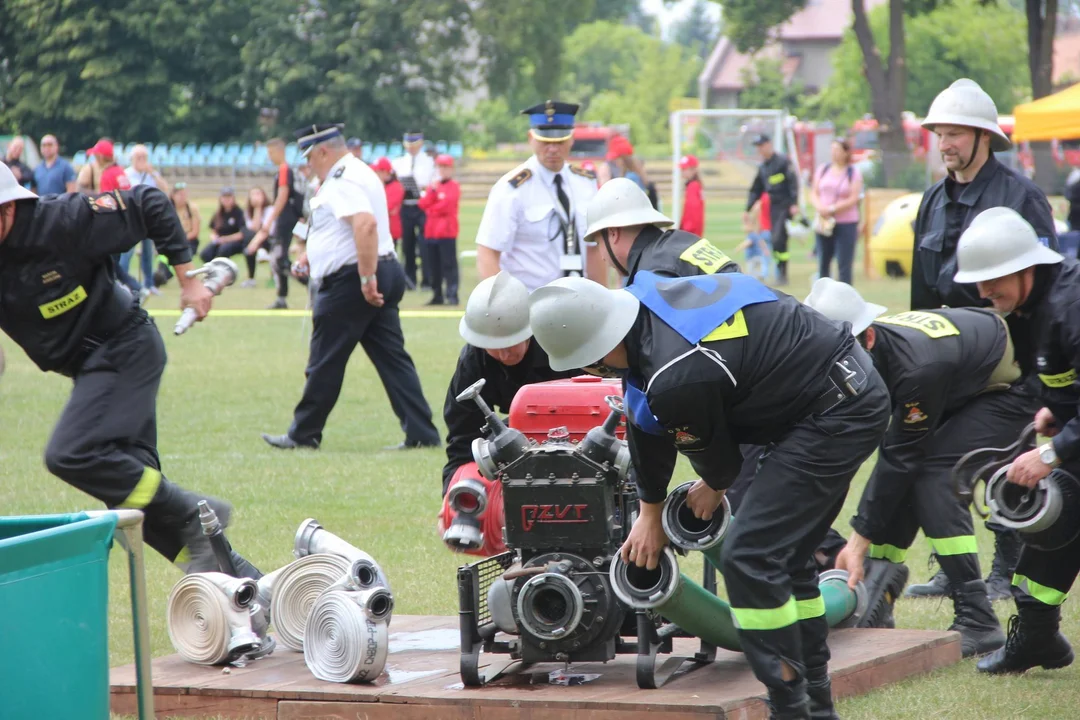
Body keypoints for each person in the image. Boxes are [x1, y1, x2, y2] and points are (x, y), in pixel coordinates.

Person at [528, 274, 890, 719]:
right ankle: (816, 704)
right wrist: (650, 511)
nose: (592, 373)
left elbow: (719, 466)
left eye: (589, 364)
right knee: (787, 557)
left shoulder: (677, 374)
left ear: (601, 351)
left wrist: (710, 486)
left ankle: (789, 706)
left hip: (836, 411)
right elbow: (644, 415)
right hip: (816, 395)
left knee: (749, 557)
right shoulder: (641, 304)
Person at [0, 163, 260, 580]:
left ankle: (195, 512)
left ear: (9, 207)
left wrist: (188, 282)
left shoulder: (63, 219)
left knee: (70, 453)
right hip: (90, 367)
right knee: (136, 505)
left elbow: (150, 202)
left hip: (124, 346)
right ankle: (244, 587)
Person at [905, 78, 1058, 601]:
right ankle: (954, 568)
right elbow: (922, 291)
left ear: (984, 138)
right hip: (946, 361)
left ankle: (1006, 569)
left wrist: (1038, 372)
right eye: (938, 134)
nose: (943, 143)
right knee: (940, 464)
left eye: (953, 134)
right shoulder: (931, 201)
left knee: (1002, 463)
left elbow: (1044, 286)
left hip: (1010, 366)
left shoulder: (1022, 197)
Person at [807, 278, 1019, 654]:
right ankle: (877, 594)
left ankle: (977, 617)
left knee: (933, 474)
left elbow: (900, 457)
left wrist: (856, 542)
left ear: (868, 338)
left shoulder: (916, 367)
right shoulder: (870, 355)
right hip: (960, 375)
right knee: (909, 469)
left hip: (1011, 389)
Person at [947, 207, 1078, 675]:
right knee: (1054, 526)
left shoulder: (1072, 304)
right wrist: (1058, 413)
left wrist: (1053, 452)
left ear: (1027, 267)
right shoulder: (1027, 307)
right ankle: (1038, 639)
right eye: (978, 283)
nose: (984, 293)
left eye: (993, 280)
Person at [262, 124, 440, 452]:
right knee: (392, 358)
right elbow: (345, 229)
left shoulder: (341, 178)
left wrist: (365, 277)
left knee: (324, 360)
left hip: (353, 280)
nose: (308, 165)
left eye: (310, 158)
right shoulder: (359, 171)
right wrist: (314, 256)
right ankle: (421, 432)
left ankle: (304, 434)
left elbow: (365, 224)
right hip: (379, 268)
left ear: (324, 152)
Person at [475, 100, 605, 291]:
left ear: (571, 139)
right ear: (531, 138)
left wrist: (602, 300)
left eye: (560, 141)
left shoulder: (586, 183)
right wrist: (504, 305)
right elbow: (487, 252)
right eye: (545, 141)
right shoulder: (511, 189)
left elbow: (594, 248)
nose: (553, 149)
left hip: (580, 301)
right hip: (530, 301)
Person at [249, 138, 305, 310]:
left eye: (270, 153)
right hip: (292, 218)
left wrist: (270, 219)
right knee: (280, 259)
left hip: (285, 220)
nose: (270, 157)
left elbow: (282, 196)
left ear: (278, 151)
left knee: (280, 258)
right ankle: (282, 296)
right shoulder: (290, 170)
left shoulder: (283, 170)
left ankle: (307, 284)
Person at [744, 134, 798, 286]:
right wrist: (747, 208)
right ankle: (780, 271)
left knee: (778, 239)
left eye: (761, 145)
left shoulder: (783, 162)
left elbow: (793, 182)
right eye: (758, 147)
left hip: (785, 206)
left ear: (769, 145)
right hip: (773, 208)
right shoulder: (763, 167)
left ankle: (783, 272)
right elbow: (756, 189)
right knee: (776, 242)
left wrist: (794, 203)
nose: (760, 149)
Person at [810, 140, 862, 284]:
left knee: (844, 263)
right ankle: (822, 296)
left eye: (838, 150)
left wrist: (832, 209)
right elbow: (814, 192)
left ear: (846, 152)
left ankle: (845, 296)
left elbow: (854, 197)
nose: (834, 153)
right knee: (823, 261)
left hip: (846, 222)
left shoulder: (853, 172)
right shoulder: (823, 169)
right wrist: (820, 207)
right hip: (824, 222)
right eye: (832, 149)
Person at [123, 145, 171, 295]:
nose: (142, 161)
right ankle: (124, 282)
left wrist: (153, 174)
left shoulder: (152, 174)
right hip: (131, 218)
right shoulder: (126, 174)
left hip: (147, 218)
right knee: (127, 251)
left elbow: (165, 191)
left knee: (148, 252)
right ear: (132, 159)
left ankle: (149, 284)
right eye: (139, 157)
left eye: (144, 157)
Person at [392, 131, 436, 290]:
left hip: (422, 205)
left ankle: (427, 279)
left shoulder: (430, 162)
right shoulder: (398, 162)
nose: (411, 149)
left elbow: (432, 183)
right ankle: (410, 280)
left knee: (425, 244)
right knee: (407, 245)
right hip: (405, 205)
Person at [418, 154, 460, 306]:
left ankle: (452, 295)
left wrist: (431, 209)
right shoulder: (434, 186)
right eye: (439, 167)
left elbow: (446, 206)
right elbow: (422, 204)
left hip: (446, 232)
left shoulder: (453, 186)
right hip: (431, 232)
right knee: (433, 266)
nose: (442, 170)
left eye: (445, 167)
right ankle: (437, 295)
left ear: (451, 169)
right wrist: (433, 194)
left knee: (449, 265)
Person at [200, 188, 257, 281]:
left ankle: (224, 275)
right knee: (205, 253)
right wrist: (214, 237)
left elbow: (242, 233)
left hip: (236, 241)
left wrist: (225, 239)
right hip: (220, 241)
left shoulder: (239, 213)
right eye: (224, 197)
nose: (226, 200)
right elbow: (214, 229)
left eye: (229, 197)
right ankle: (213, 273)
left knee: (223, 250)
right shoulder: (218, 214)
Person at [373, 157, 404, 247]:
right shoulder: (378, 186)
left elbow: (386, 207)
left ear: (385, 172)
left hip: (391, 229)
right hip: (380, 229)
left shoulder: (396, 187)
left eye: (377, 171)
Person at [171, 182, 201, 255]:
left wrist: (180, 239)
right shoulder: (168, 209)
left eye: (184, 194)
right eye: (179, 194)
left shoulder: (192, 208)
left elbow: (195, 232)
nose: (182, 197)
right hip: (172, 238)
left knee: (183, 256)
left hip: (188, 239)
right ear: (173, 195)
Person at [678, 155, 704, 237]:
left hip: (690, 232)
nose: (682, 171)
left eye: (685, 169)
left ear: (694, 170)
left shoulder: (693, 186)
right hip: (694, 232)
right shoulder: (696, 185)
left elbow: (692, 210)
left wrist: (685, 230)